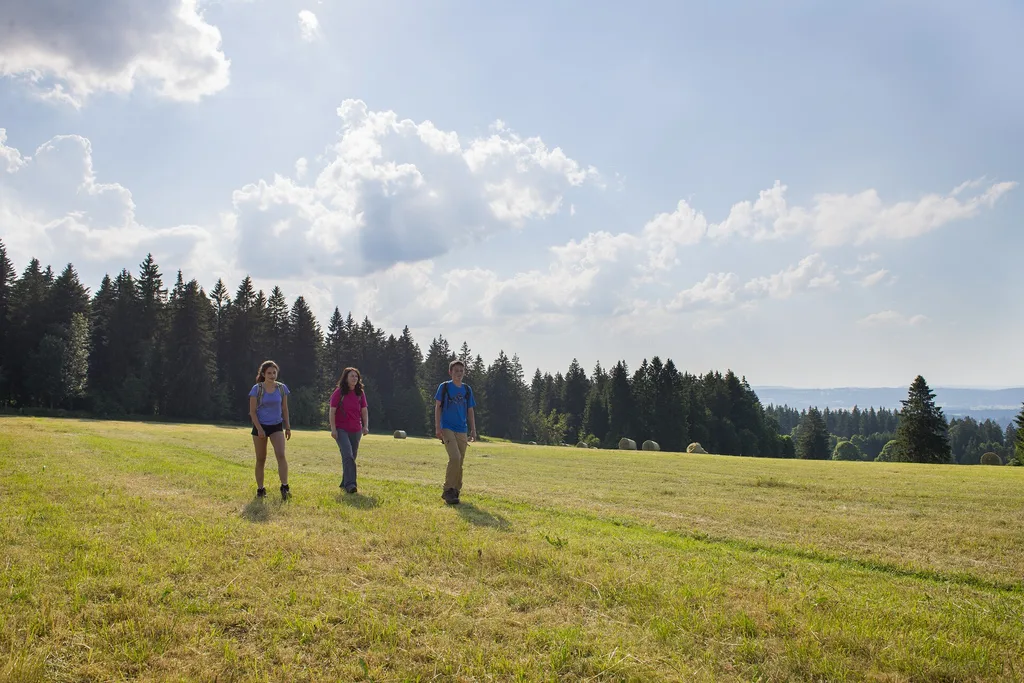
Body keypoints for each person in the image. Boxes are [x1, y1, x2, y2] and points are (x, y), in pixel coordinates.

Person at [434, 360, 477, 505]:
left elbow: (470, 410)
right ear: (450, 372)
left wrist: (473, 430)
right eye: (456, 371)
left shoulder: (467, 390)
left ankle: (456, 490)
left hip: (462, 429)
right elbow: (438, 407)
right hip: (447, 427)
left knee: (460, 461)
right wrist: (438, 427)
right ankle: (448, 490)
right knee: (455, 457)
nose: (459, 373)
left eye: (461, 371)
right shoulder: (444, 387)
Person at [248, 360, 292, 500]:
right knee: (261, 459)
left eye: (274, 372)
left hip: (276, 425)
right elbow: (253, 412)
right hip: (260, 426)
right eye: (269, 373)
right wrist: (259, 429)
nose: (272, 375)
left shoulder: (281, 388)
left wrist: (288, 427)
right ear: (263, 374)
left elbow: (285, 409)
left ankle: (284, 487)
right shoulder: (257, 389)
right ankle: (260, 489)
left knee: (281, 454)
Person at [329, 367, 370, 494]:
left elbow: (364, 410)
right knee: (347, 455)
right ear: (346, 378)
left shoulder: (360, 393)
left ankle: (344, 482)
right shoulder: (339, 392)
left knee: (352, 457)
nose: (354, 378)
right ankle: (351, 485)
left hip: (356, 430)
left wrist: (365, 426)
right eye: (352, 376)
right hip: (341, 429)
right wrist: (333, 429)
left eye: (356, 376)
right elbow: (332, 411)